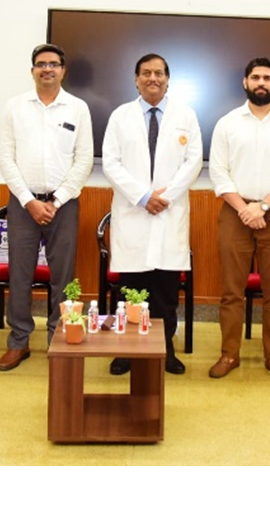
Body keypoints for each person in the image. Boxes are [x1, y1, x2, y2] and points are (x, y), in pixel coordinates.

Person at [102, 53, 202, 376]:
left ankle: (165, 350)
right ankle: (126, 351)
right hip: (133, 213)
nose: (152, 79)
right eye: (146, 73)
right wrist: (144, 197)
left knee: (165, 292)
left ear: (168, 79)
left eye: (159, 73)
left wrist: (165, 196)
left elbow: (193, 162)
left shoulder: (186, 115)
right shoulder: (120, 116)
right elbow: (110, 163)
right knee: (130, 288)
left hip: (169, 215)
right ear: (136, 79)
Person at [208, 57, 270, 382]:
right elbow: (218, 173)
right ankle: (229, 354)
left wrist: (262, 207)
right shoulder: (227, 123)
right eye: (255, 77)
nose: (261, 82)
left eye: (267, 78)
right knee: (231, 292)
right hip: (234, 213)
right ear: (245, 82)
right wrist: (245, 209)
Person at [0, 43, 94, 371]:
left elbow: (83, 160)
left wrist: (56, 200)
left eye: (53, 64)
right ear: (32, 70)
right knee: (20, 274)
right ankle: (19, 341)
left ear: (63, 71)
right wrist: (29, 201)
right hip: (23, 203)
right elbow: (6, 158)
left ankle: (60, 337)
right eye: (41, 64)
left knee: (63, 277)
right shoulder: (15, 107)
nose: (47, 69)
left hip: (63, 205)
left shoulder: (77, 108)